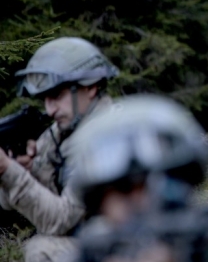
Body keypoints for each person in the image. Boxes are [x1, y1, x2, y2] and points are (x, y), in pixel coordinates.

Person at [67, 94, 208, 262]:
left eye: (150, 186)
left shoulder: (205, 241)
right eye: (124, 190)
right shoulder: (94, 248)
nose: (139, 201)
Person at [0, 37, 119, 262]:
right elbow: (7, 204)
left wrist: (10, 171)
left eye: (57, 96)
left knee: (42, 248)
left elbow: (60, 219)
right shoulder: (60, 133)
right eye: (45, 98)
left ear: (91, 86)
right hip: (93, 241)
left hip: (129, 245)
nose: (50, 109)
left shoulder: (109, 136)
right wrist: (22, 169)